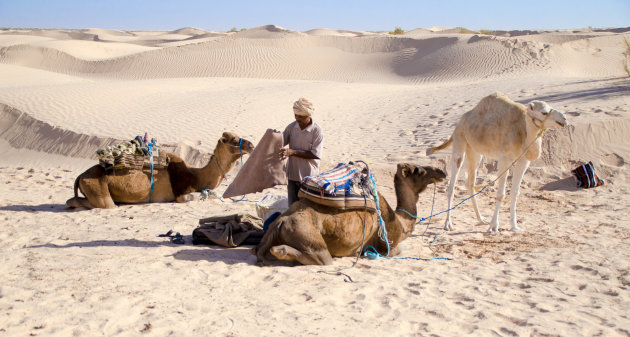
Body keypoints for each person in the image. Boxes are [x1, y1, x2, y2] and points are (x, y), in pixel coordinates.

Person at [278, 98, 324, 205]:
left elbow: (315, 154)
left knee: (307, 207)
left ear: (308, 116)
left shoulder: (317, 131)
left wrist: (293, 152)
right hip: (293, 175)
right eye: (296, 115)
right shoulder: (292, 127)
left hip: (309, 177)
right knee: (292, 206)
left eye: (301, 116)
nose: (297, 118)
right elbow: (281, 142)